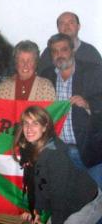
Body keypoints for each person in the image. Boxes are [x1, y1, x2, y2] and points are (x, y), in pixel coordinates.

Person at [13, 106, 102, 224]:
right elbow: (38, 183)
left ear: (44, 127)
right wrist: (36, 211)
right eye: (26, 123)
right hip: (67, 202)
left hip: (87, 202)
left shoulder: (55, 155)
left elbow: (59, 196)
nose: (29, 128)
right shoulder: (31, 148)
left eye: (35, 123)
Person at [40, 33, 102, 188]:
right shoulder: (46, 77)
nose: (59, 55)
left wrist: (88, 103)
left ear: (73, 51)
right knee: (68, 200)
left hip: (89, 150)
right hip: (58, 152)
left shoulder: (93, 71)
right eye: (55, 51)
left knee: (97, 198)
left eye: (64, 50)